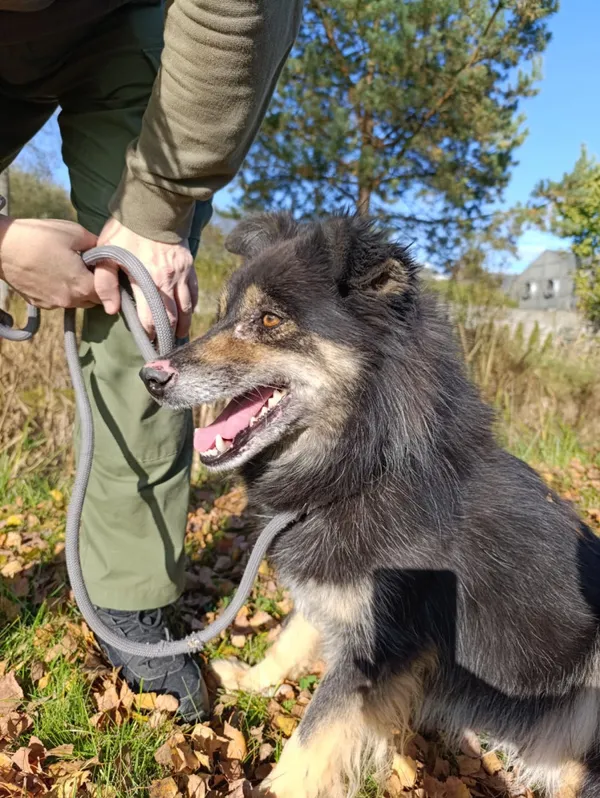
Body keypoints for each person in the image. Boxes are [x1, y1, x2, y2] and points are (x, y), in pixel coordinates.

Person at [0, 0, 302, 720]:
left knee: (136, 297)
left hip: (135, 19)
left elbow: (234, 17)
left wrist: (156, 211)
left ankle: (127, 591)